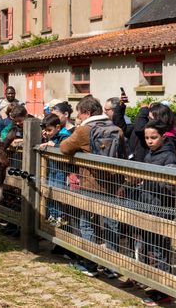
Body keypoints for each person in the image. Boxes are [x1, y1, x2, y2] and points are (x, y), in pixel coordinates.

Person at [59, 95, 122, 279]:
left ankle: (90, 263)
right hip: (113, 184)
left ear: (87, 112)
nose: (78, 117)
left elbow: (64, 148)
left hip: (90, 185)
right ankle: (112, 266)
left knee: (87, 222)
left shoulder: (83, 130)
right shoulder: (116, 129)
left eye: (79, 114)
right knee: (111, 224)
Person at [128, 120, 176, 306]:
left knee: (160, 250)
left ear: (163, 137)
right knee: (150, 246)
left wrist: (164, 180)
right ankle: (155, 284)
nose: (149, 141)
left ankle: (165, 289)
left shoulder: (169, 156)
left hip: (162, 208)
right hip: (148, 204)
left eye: (153, 137)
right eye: (147, 138)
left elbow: (175, 185)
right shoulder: (150, 153)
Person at [39, 113, 71, 227]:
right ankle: (52, 215)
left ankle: (60, 216)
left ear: (58, 127)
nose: (47, 133)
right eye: (45, 130)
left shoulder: (64, 136)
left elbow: (66, 149)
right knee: (50, 192)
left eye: (49, 130)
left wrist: (54, 146)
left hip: (60, 170)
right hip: (52, 169)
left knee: (58, 193)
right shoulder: (51, 136)